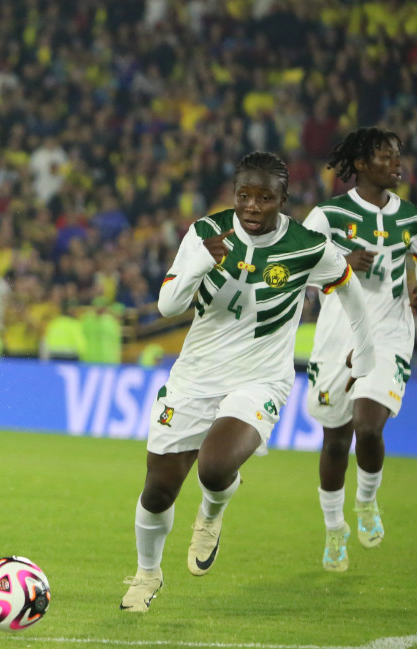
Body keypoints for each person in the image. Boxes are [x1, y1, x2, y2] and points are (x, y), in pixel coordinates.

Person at [120, 152, 376, 612]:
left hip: (260, 377)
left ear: (282, 199)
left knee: (215, 467)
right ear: (234, 195)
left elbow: (347, 284)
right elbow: (167, 306)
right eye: (244, 196)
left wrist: (366, 345)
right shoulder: (204, 234)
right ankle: (147, 574)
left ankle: (211, 514)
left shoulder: (306, 246)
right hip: (195, 376)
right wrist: (200, 262)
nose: (253, 207)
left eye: (264, 198)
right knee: (158, 489)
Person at [304, 128, 417, 572]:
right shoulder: (327, 216)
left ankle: (366, 500)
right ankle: (333, 529)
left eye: (398, 156)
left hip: (389, 331)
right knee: (336, 440)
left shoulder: (414, 218)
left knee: (369, 426)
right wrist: (339, 265)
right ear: (361, 164)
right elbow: (296, 269)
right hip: (337, 334)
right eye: (386, 157)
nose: (397, 164)